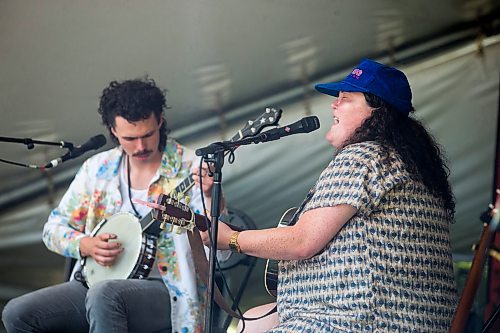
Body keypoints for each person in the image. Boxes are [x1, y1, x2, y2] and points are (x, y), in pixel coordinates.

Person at [203, 59, 458, 332]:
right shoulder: (411, 166)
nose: (334, 105)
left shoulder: (364, 157)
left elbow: (302, 241)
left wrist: (231, 239)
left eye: (346, 98)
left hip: (362, 321)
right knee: (251, 321)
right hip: (408, 319)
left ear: (377, 112)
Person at [2, 77, 225, 333]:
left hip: (169, 290)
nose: (141, 146)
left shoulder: (190, 169)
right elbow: (52, 229)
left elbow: (219, 250)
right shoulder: (98, 169)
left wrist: (210, 196)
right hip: (96, 283)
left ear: (160, 121)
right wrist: (85, 244)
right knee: (19, 313)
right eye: (130, 138)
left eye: (148, 135)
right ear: (112, 129)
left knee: (104, 295)